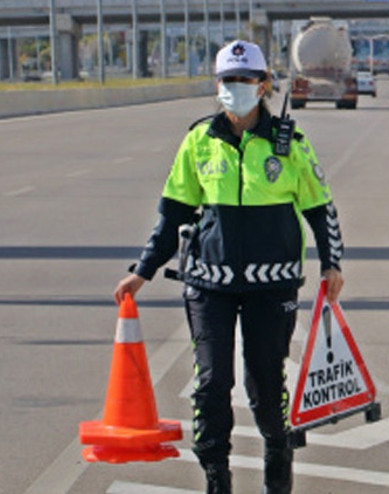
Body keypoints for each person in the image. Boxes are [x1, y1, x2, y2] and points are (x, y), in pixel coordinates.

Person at [113, 39, 344, 494]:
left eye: (245, 79)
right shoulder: (199, 140)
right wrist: (143, 269)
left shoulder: (290, 143)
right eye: (228, 80)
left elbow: (322, 210)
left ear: (263, 85)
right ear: (217, 84)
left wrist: (332, 264)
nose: (235, 88)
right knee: (211, 381)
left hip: (271, 285)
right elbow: (172, 213)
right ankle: (216, 477)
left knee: (264, 385)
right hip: (209, 283)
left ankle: (278, 462)